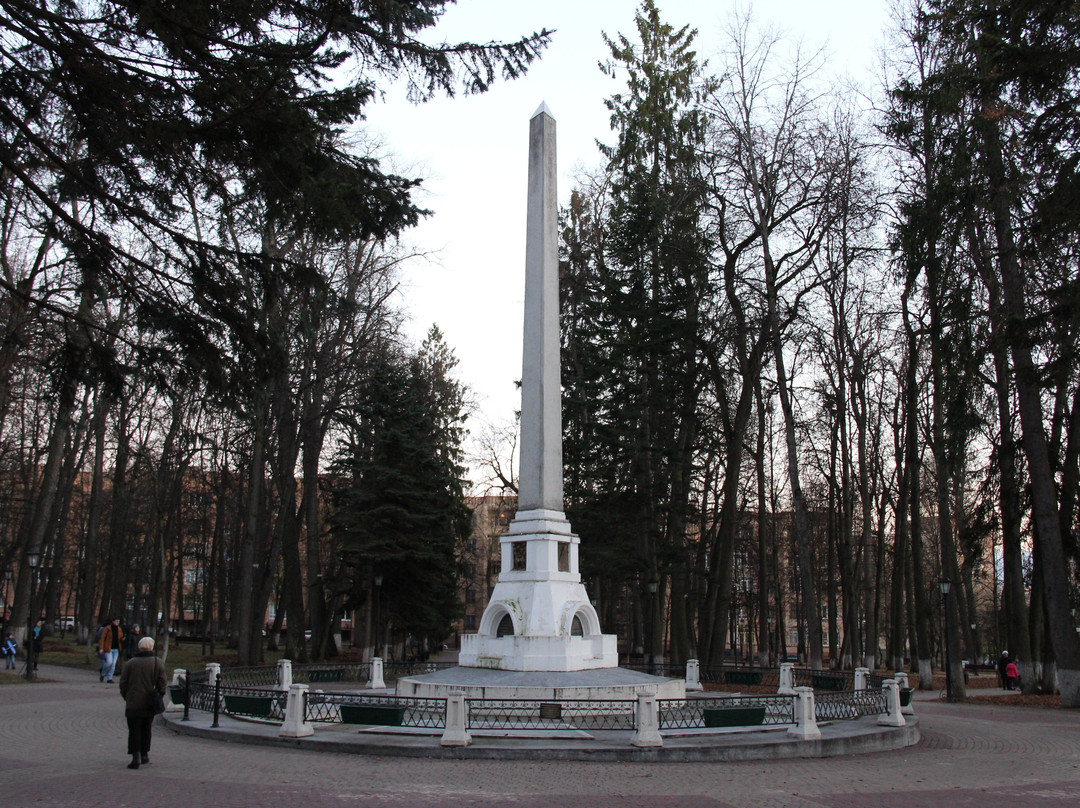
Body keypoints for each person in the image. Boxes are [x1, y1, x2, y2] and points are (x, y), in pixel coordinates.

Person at [118, 636, 166, 770]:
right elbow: (162, 683)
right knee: (146, 728)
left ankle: (135, 756)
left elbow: (123, 683)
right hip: (149, 702)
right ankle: (145, 754)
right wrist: (159, 695)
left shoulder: (131, 663)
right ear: (151, 647)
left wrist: (127, 696)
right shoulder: (157, 662)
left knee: (134, 729)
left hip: (133, 702)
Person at [98, 617, 124, 683]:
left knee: (113, 664)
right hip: (108, 648)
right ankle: (103, 673)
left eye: (118, 621)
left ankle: (109, 678)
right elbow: (102, 638)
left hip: (116, 649)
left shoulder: (119, 629)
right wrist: (101, 648)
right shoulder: (107, 629)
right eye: (116, 621)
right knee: (109, 662)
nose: (118, 623)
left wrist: (123, 639)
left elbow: (120, 637)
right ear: (113, 621)